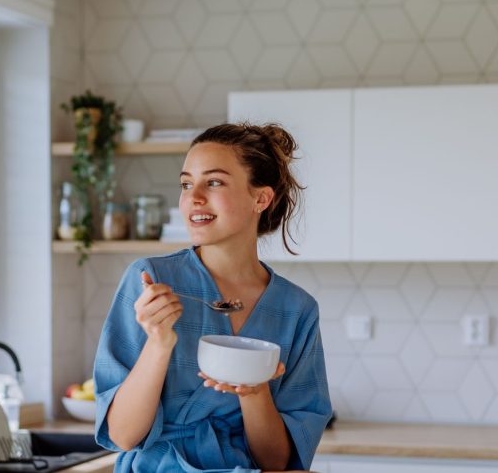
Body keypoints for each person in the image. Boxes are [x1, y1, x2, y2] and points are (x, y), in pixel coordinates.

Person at [93, 123, 332, 472]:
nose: (194, 197)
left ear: (261, 198)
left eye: (214, 182)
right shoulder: (151, 281)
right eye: (187, 184)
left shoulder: (296, 310)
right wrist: (158, 344)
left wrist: (254, 392)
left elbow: (277, 462)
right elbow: (124, 435)